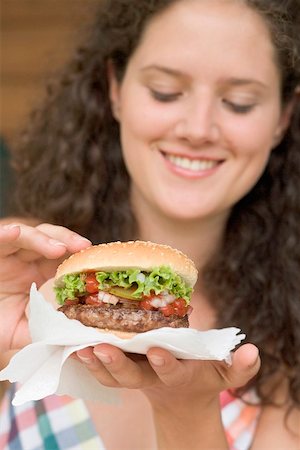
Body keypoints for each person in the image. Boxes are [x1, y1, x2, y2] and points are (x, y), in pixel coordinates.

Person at [0, 0, 299, 448]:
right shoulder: (22, 270)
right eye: (164, 91)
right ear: (115, 89)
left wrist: (187, 409)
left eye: (239, 103)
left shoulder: (290, 341)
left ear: (281, 118)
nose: (198, 128)